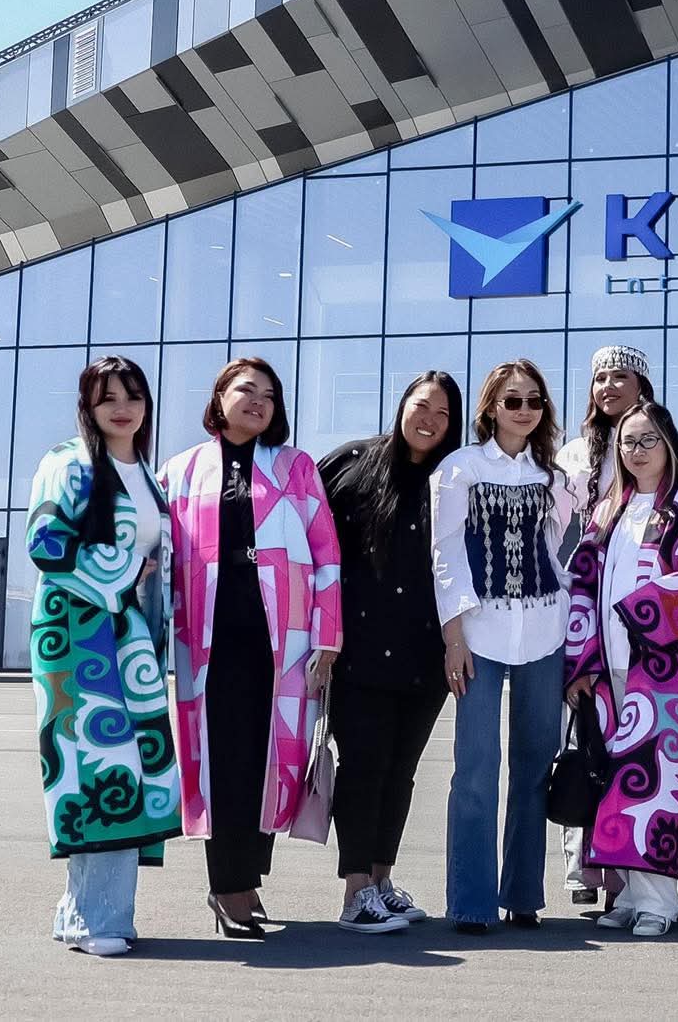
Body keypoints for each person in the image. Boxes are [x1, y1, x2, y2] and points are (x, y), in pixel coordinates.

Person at [163, 357, 342, 939]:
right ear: (220, 397)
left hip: (282, 639)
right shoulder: (183, 470)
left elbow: (326, 555)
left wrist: (328, 637)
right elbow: (159, 554)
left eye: (269, 393)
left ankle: (247, 876)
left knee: (270, 760)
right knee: (224, 761)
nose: (259, 400)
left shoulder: (295, 467)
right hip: (209, 639)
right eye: (246, 389)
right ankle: (228, 887)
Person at [27, 356, 180, 957]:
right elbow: (45, 542)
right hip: (76, 636)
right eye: (107, 397)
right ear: (87, 407)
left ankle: (82, 913)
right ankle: (97, 919)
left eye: (133, 396)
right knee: (98, 767)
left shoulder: (146, 474)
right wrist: (125, 573)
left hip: (130, 640)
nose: (122, 407)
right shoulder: (68, 463)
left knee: (131, 772)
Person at [563, 400, 678, 938]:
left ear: (668, 443)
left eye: (647, 440)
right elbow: (582, 584)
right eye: (628, 442)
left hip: (668, 669)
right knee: (616, 779)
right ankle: (630, 895)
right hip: (608, 667)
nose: (637, 451)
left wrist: (644, 614)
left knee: (657, 782)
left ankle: (660, 901)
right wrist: (581, 661)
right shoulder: (607, 511)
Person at [432, 360, 576, 933]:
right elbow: (445, 553)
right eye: (512, 400)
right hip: (479, 635)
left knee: (535, 765)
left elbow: (561, 550)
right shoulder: (459, 468)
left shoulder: (553, 476)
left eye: (534, 401)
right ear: (491, 406)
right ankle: (471, 901)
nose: (524, 410)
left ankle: (523, 896)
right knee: (475, 767)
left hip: (545, 631)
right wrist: (453, 636)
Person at [317, 370, 461, 934]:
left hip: (424, 653)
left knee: (401, 771)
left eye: (443, 413)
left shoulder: (453, 478)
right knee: (364, 765)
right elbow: (309, 541)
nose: (430, 420)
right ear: (403, 405)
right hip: (358, 651)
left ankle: (380, 881)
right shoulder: (351, 463)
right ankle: (355, 892)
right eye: (422, 406)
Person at [555, 344, 655, 906]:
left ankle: (623, 870)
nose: (609, 386)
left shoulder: (654, 449)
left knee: (629, 745)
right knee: (582, 737)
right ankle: (582, 865)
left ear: (642, 387)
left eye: (621, 376)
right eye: (601, 378)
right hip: (578, 610)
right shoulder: (572, 455)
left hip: (635, 621)